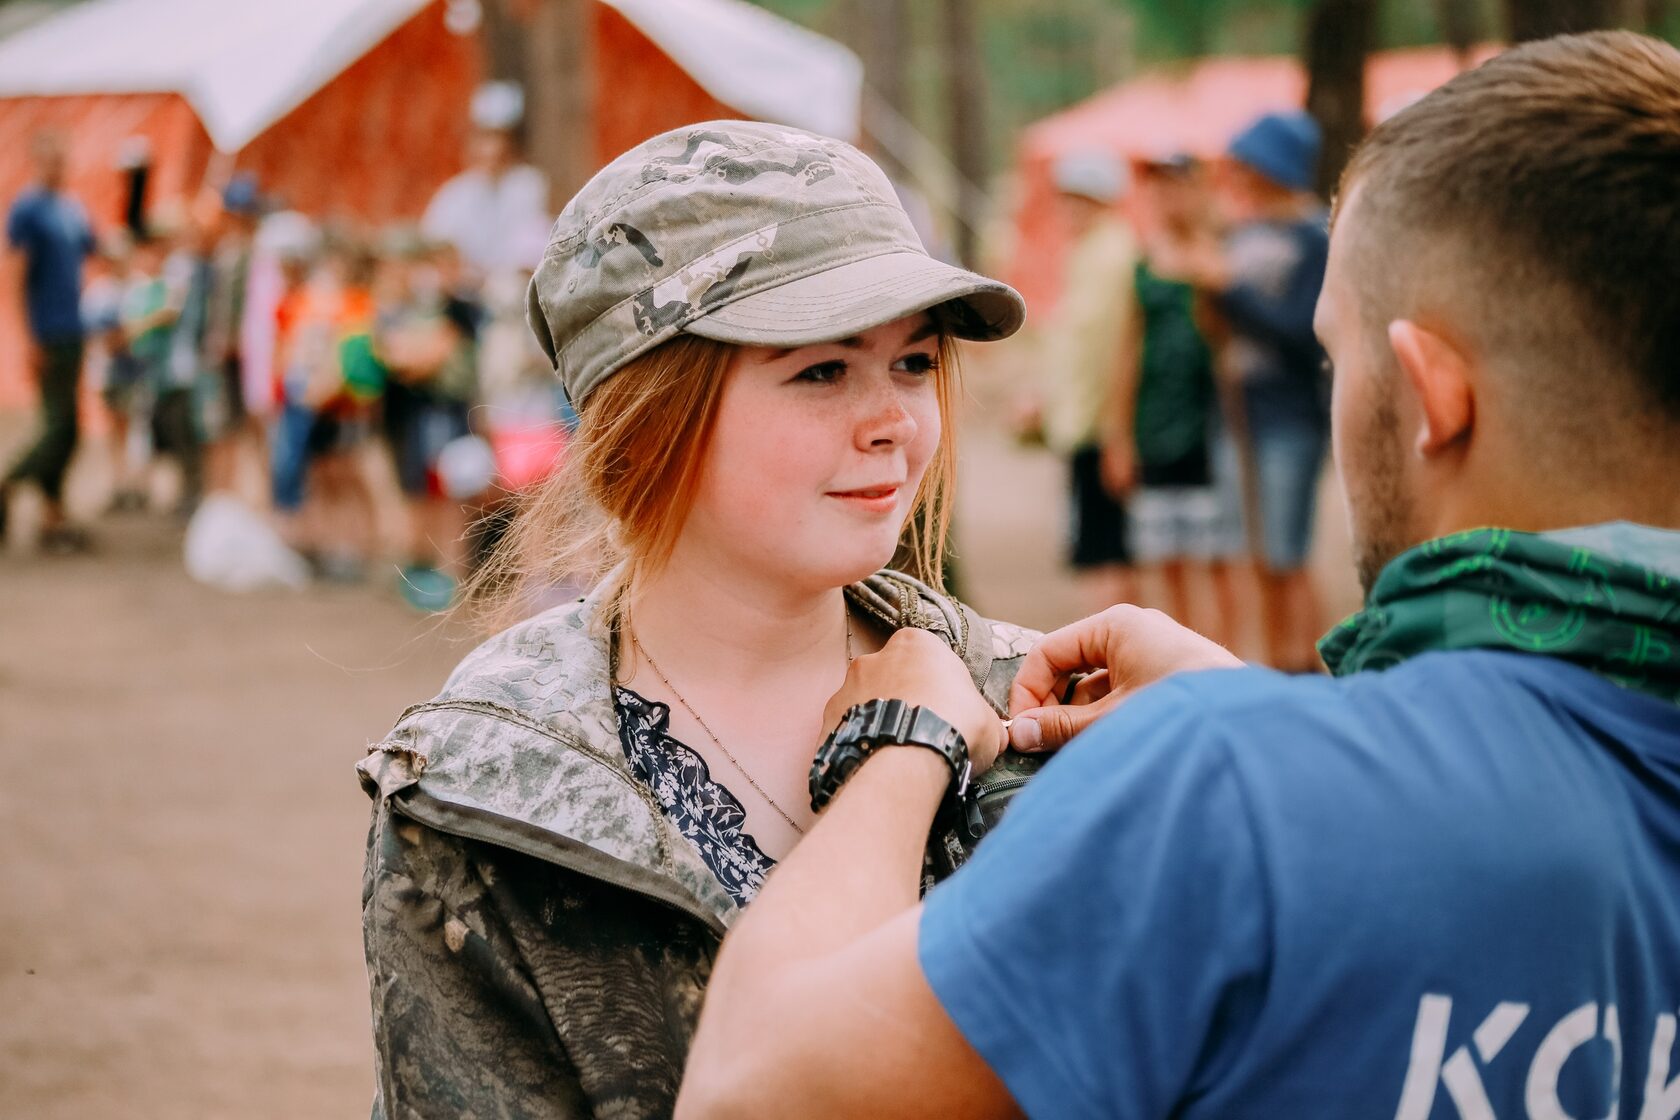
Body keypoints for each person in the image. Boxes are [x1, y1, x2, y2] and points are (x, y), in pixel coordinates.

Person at [676, 31, 1680, 1119]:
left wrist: (898, 743)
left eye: (1339, 357)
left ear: (1432, 392)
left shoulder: (1226, 793)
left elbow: (748, 1087)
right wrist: (1274, 714)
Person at [356, 120, 1035, 1118]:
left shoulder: (1034, 704)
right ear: (649, 414)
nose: (894, 419)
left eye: (915, 363)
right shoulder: (480, 795)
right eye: (822, 370)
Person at [1184, 110, 1331, 670]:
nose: (1239, 176)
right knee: (1254, 554)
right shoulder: (1241, 234)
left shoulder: (1313, 237)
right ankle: (1274, 664)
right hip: (1234, 413)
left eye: (1248, 165)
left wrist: (1230, 289)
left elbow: (1303, 330)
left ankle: (1307, 669)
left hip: (1288, 416)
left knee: (1285, 554)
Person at [1110, 154, 1241, 643]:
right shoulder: (1144, 266)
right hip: (1155, 427)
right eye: (1159, 189)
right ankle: (1185, 653)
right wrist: (1118, 434)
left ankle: (1224, 660)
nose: (1168, 199)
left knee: (1220, 558)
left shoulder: (1221, 261)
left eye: (1177, 186)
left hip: (1209, 431)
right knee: (1167, 557)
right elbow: (1128, 354)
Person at [1030, 149, 1139, 612]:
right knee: (1099, 549)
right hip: (1084, 422)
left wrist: (1117, 431)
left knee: (1106, 552)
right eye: (1066, 198)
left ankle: (1111, 656)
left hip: (1102, 425)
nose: (1070, 209)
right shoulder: (1086, 255)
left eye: (1083, 199)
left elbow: (1117, 350)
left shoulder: (1113, 257)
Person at [1, 131, 96, 550]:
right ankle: (8, 482)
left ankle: (52, 518)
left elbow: (97, 250)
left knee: (70, 424)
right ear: (38, 161)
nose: (58, 167)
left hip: (74, 326)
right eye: (51, 160)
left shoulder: (71, 209)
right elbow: (16, 276)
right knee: (60, 426)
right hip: (48, 330)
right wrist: (26, 338)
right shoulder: (28, 210)